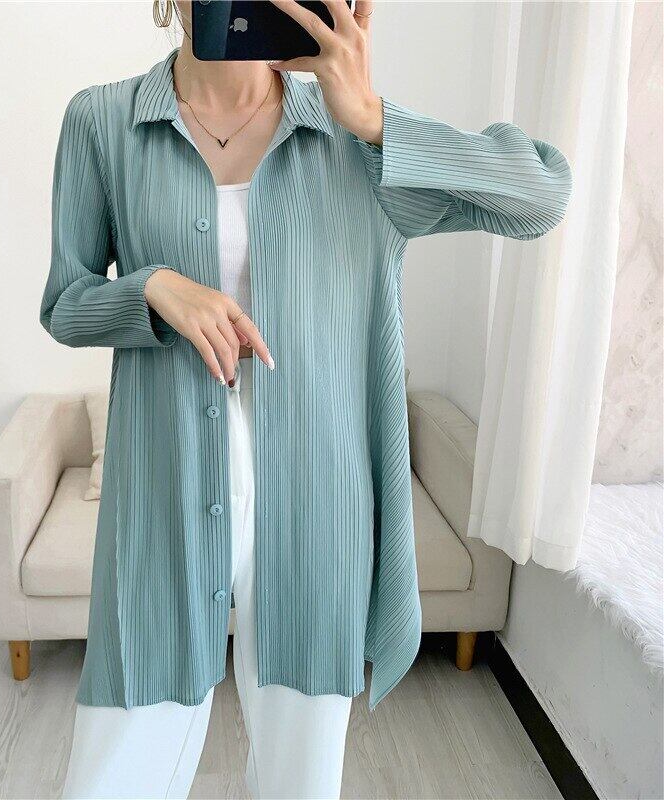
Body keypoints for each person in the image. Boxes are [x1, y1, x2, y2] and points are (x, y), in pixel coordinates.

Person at [40, 1, 572, 797]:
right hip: (161, 503)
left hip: (318, 515)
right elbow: (66, 303)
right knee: (112, 777)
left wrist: (376, 118)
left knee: (301, 783)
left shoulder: (351, 136)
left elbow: (542, 197)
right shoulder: (102, 121)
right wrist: (152, 289)